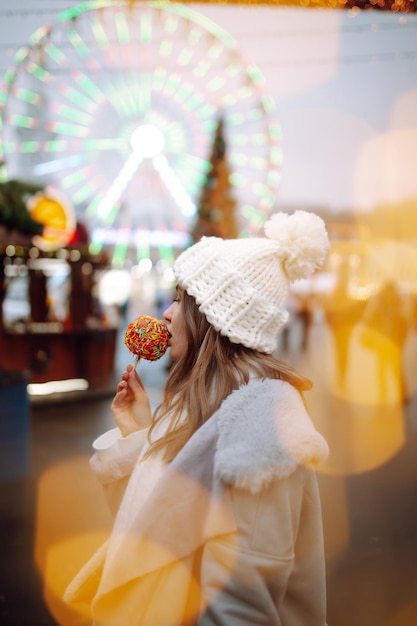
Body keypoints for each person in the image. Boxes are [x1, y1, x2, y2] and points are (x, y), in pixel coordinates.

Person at [64, 210, 330, 626]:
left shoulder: (262, 432)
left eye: (181, 300)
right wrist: (139, 432)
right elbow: (152, 532)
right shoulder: (196, 405)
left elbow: (240, 610)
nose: (166, 314)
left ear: (214, 318)